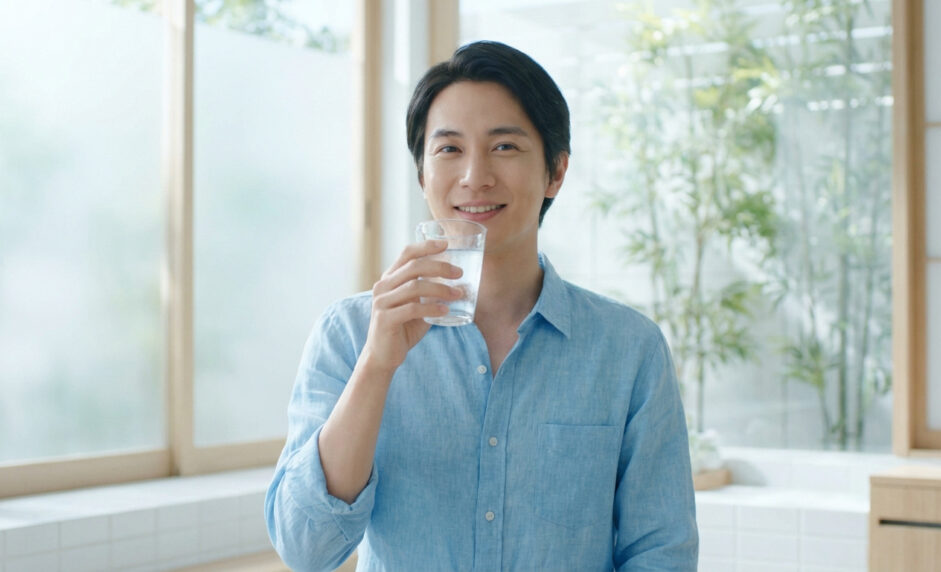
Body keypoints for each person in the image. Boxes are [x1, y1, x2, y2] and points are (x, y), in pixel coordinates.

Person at [265, 40, 698, 571]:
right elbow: (306, 550)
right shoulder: (349, 333)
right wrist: (377, 367)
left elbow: (661, 552)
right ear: (423, 175)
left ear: (555, 172)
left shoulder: (629, 348)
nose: (474, 176)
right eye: (448, 149)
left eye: (504, 147)